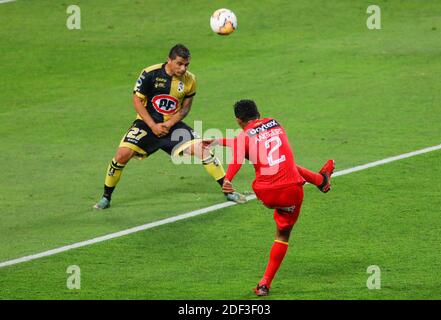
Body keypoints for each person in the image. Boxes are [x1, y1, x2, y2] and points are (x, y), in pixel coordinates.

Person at [203, 99, 335, 296]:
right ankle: (264, 283)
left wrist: (228, 179)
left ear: (239, 120)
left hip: (266, 194)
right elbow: (248, 144)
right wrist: (219, 141)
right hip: (292, 192)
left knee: (271, 162)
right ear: (258, 113)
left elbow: (240, 153)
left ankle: (321, 181)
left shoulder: (242, 136)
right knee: (282, 235)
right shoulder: (274, 122)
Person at [93, 44, 247, 210]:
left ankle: (228, 191)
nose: (183, 68)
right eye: (179, 63)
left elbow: (185, 108)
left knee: (203, 149)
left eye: (186, 65)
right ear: (170, 60)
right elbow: (137, 100)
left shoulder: (190, 80)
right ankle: (106, 197)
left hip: (172, 126)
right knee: (122, 155)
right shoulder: (150, 73)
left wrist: (169, 124)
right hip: (146, 124)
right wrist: (153, 125)